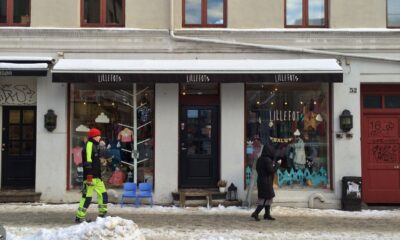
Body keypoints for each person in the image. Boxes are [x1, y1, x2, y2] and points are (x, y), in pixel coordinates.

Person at [75, 128, 108, 223]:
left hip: (97, 177)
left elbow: (99, 158)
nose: (100, 137)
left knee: (103, 195)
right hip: (90, 177)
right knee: (87, 198)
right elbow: (88, 161)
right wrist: (89, 176)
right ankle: (80, 217)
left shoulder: (95, 145)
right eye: (98, 136)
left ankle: (102, 214)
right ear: (93, 137)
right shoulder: (89, 145)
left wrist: (103, 151)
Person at [251, 144, 281, 221]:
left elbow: (260, 169)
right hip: (266, 182)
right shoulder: (267, 160)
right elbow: (271, 171)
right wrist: (278, 164)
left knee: (268, 198)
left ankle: (267, 214)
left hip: (261, 180)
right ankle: (256, 213)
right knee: (264, 199)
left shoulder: (260, 159)